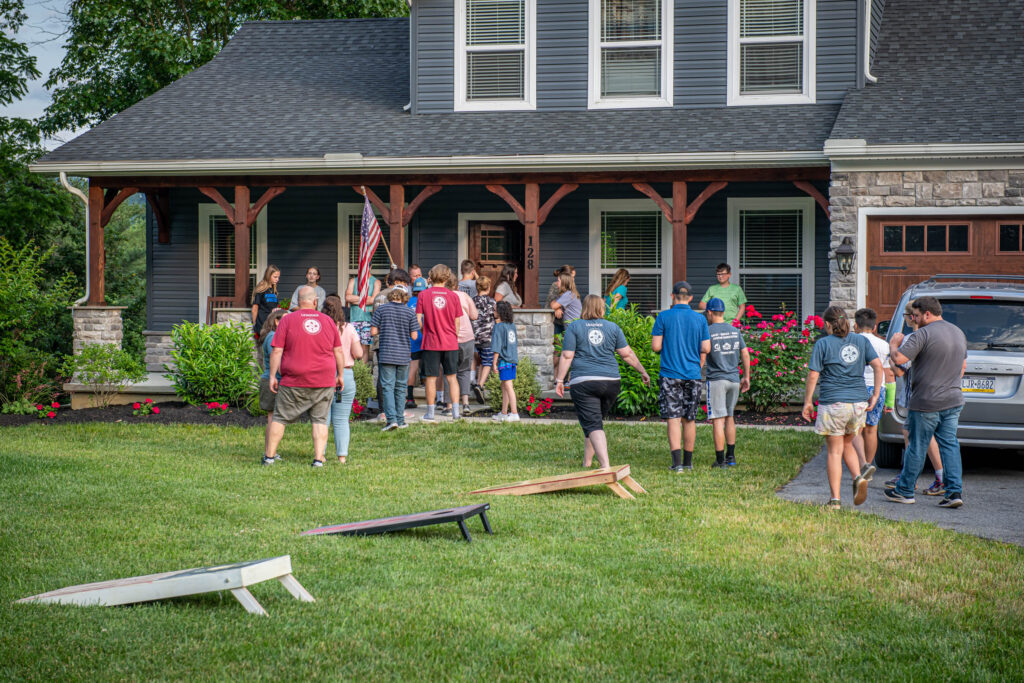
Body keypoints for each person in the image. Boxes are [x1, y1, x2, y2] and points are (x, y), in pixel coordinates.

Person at [884, 296, 967, 509]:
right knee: (950, 445)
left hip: (926, 401)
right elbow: (962, 367)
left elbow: (900, 360)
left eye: (916, 315)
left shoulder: (922, 333)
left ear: (927, 314)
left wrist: (893, 346)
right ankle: (954, 492)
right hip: (953, 398)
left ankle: (904, 491)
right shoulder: (958, 332)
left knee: (917, 446)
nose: (914, 318)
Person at [801, 306, 883, 509]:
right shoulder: (861, 340)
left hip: (834, 403)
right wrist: (875, 394)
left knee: (834, 451)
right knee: (847, 443)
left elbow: (813, 375)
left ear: (828, 324)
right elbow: (878, 366)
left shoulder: (823, 343)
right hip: (858, 404)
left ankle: (835, 500)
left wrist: (808, 401)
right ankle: (858, 476)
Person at [555, 295, 650, 469]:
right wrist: (642, 371)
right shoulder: (612, 327)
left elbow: (567, 355)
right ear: (601, 309)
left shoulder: (575, 326)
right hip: (611, 382)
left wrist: (560, 379)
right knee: (593, 421)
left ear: (585, 308)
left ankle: (605, 467)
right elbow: (627, 354)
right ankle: (587, 462)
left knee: (593, 423)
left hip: (584, 382)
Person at [265, 286, 345, 467]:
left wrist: (272, 375)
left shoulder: (287, 320)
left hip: (293, 379)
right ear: (315, 301)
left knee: (280, 418)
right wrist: (340, 375)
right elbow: (338, 350)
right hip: (323, 379)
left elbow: (277, 350)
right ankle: (318, 459)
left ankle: (269, 457)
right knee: (320, 419)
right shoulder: (328, 321)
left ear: (298, 301)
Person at [884, 300, 945, 495]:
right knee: (917, 435)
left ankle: (912, 479)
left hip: (915, 395)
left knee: (918, 436)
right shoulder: (935, 336)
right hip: (935, 393)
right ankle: (916, 476)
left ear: (911, 317)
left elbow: (901, 370)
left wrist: (891, 355)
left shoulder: (913, 338)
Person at [652, 281, 711, 472]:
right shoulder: (700, 319)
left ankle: (676, 464)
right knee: (689, 418)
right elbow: (706, 348)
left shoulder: (663, 317)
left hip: (670, 374)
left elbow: (656, 346)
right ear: (691, 298)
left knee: (673, 417)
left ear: (672, 296)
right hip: (692, 374)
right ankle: (688, 462)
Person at [704, 297, 750, 467]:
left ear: (709, 312)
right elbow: (745, 354)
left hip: (717, 380)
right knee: (730, 417)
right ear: (723, 312)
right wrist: (746, 376)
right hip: (734, 379)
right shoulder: (734, 331)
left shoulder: (708, 331)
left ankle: (719, 460)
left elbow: (702, 351)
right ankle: (731, 457)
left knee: (717, 419)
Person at [416, 264, 462, 423]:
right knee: (452, 377)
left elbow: (418, 322)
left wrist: (425, 332)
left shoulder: (423, 295)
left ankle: (430, 413)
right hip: (450, 342)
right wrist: (452, 337)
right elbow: (457, 323)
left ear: (430, 277)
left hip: (431, 342)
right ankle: (456, 411)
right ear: (447, 277)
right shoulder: (454, 296)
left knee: (431, 378)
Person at [851, 307, 894, 480]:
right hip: (878, 388)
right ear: (875, 327)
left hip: (855, 388)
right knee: (871, 430)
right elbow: (888, 373)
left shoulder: (850, 341)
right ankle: (868, 465)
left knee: (855, 430)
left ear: (856, 325)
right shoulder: (883, 345)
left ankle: (860, 463)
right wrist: (890, 400)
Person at [371, 284, 420, 431]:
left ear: (392, 295)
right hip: (404, 354)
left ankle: (391, 420)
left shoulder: (381, 310)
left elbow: (373, 331)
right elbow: (414, 335)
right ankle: (401, 419)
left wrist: (385, 328)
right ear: (405, 296)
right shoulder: (409, 312)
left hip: (386, 353)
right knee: (400, 388)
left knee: (387, 387)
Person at [322, 296, 363, 464]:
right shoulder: (349, 328)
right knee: (341, 419)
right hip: (345, 374)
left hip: (323, 374)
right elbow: (359, 353)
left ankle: (321, 454)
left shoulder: (322, 328)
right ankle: (342, 456)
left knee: (322, 418)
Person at [257, 308, 288, 461]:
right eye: (285, 319)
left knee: (274, 417)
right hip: (273, 380)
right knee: (273, 418)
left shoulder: (273, 336)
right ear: (276, 321)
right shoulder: (273, 337)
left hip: (274, 380)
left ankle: (270, 451)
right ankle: (270, 452)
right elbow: (278, 360)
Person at [452, 274, 479, 415]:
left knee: (449, 373)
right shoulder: (464, 296)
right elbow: (474, 315)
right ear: (457, 285)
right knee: (465, 370)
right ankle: (466, 404)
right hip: (467, 337)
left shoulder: (445, 297)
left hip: (451, 338)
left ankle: (448, 405)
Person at [489, 301, 520, 422]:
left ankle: (514, 413)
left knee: (508, 386)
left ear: (500, 312)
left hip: (504, 360)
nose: (493, 312)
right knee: (504, 386)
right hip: (512, 360)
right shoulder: (511, 326)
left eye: (495, 310)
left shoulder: (499, 326)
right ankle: (504, 412)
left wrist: (494, 362)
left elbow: (497, 346)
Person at [345, 270, 380, 364]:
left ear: (370, 267)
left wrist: (356, 299)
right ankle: (355, 371)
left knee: (365, 348)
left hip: (368, 319)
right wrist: (365, 298)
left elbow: (373, 300)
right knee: (353, 347)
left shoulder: (376, 281)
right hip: (354, 319)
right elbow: (348, 298)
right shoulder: (353, 280)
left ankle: (362, 373)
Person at [471, 274, 496, 402]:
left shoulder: (472, 300)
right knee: (488, 362)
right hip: (487, 337)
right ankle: (480, 385)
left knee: (480, 360)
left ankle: (477, 384)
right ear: (489, 287)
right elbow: (496, 316)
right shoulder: (491, 302)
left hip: (474, 337)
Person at [406, 277, 428, 409]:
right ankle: (435, 398)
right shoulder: (427, 300)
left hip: (412, 338)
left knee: (412, 368)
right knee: (431, 370)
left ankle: (409, 397)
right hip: (426, 337)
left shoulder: (408, 302)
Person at [251, 265, 282, 340]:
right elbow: (255, 308)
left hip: (272, 325)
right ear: (268, 276)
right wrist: (254, 324)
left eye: (278, 277)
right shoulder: (261, 289)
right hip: (262, 325)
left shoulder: (273, 290)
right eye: (275, 277)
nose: (277, 279)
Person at [546, 265, 576, 335]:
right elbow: (551, 299)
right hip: (556, 321)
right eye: (572, 276)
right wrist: (557, 308)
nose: (573, 279)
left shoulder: (571, 288)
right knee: (557, 342)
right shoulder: (555, 285)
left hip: (566, 321)